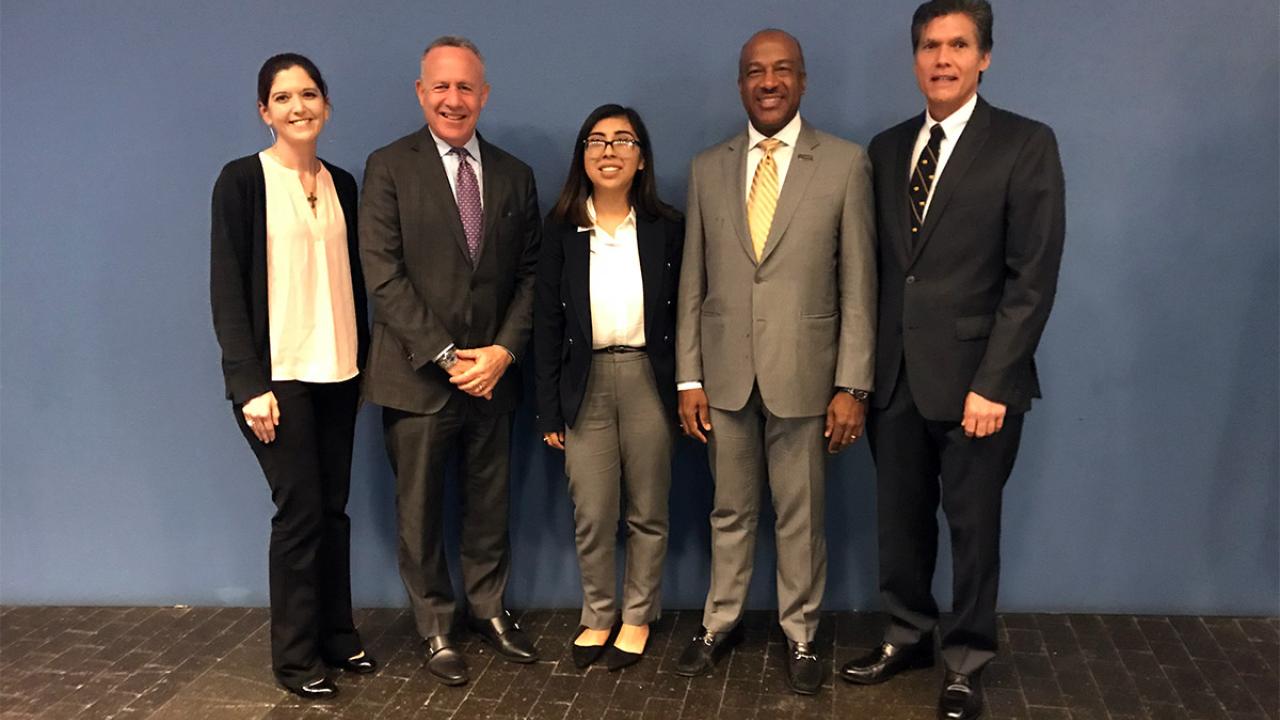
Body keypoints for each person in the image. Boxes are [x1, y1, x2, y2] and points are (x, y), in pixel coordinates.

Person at [837, 2, 1066, 718]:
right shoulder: (884, 147)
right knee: (899, 524)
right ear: (915, 59)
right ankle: (908, 634)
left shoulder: (1025, 144)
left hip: (979, 387)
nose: (943, 59)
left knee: (972, 529)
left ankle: (965, 659)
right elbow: (877, 271)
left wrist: (994, 381)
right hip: (895, 379)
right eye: (930, 46)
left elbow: (1033, 277)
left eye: (958, 45)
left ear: (985, 57)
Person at [674, 29, 876, 695]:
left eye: (782, 70)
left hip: (807, 377)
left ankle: (802, 634)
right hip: (726, 378)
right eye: (756, 71)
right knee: (728, 512)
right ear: (740, 84)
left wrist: (852, 382)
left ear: (802, 81)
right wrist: (690, 375)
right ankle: (718, 623)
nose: (768, 81)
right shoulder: (708, 167)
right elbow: (694, 284)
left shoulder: (844, 164)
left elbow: (858, 287)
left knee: (802, 515)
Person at [358, 36, 541, 687]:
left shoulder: (516, 174)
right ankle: (435, 623)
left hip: (493, 378)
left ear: (483, 95)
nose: (454, 99)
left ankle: (489, 609)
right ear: (420, 92)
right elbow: (383, 274)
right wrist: (442, 353)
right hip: (415, 380)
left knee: (490, 505)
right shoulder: (387, 167)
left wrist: (502, 351)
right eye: (441, 86)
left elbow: (530, 275)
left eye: (466, 87)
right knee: (419, 512)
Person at [210, 53, 376, 700]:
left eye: (309, 94)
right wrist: (247, 383)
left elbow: (354, 284)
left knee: (333, 512)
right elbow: (227, 287)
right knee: (301, 514)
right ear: (264, 111)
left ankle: (338, 635)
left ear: (326, 105)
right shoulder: (242, 182)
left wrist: (363, 367)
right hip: (277, 382)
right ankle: (296, 656)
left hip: (339, 372)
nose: (298, 106)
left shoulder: (342, 184)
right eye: (283, 98)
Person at [533, 104, 684, 671]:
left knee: (648, 509)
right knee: (593, 511)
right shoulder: (562, 229)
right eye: (596, 141)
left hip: (649, 377)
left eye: (623, 141)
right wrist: (549, 412)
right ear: (583, 157)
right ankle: (598, 615)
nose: (609, 151)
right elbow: (545, 326)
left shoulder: (669, 228)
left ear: (641, 158)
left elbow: (688, 313)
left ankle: (638, 616)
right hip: (584, 382)